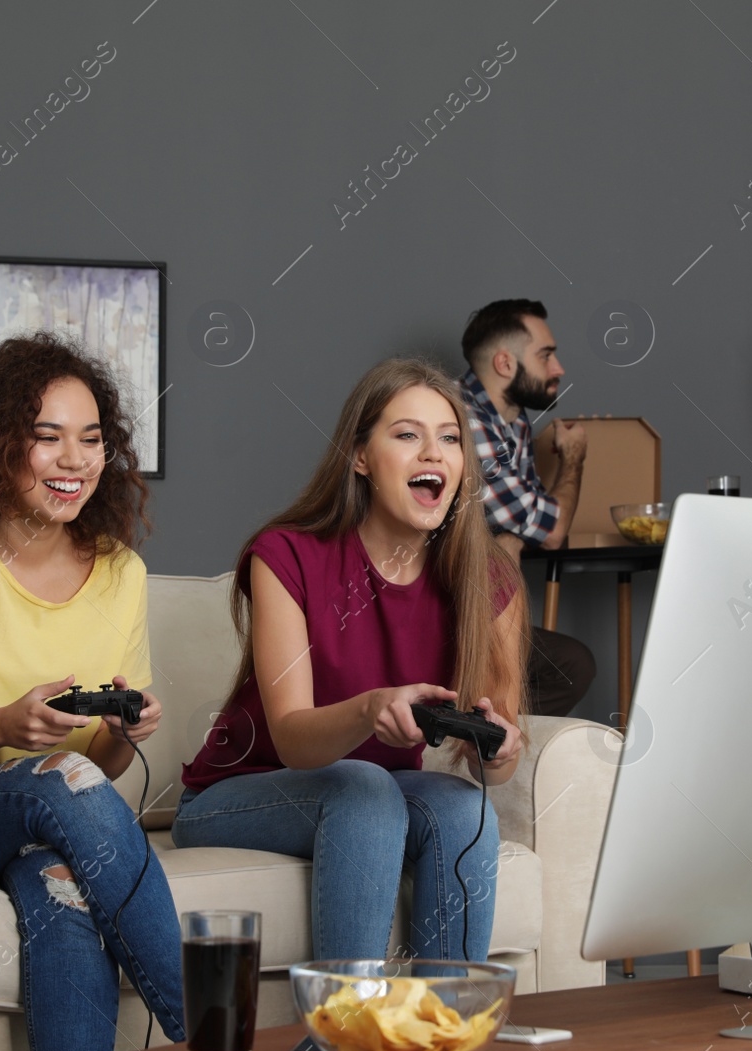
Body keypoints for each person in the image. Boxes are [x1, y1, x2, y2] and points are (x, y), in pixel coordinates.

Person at [172, 357, 528, 962]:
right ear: (360, 456)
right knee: (364, 788)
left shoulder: (489, 579)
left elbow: (491, 770)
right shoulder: (286, 555)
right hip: (242, 793)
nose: (433, 455)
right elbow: (293, 742)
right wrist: (368, 710)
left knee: (465, 810)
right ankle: (342, 1041)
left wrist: (502, 748)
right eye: (407, 435)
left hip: (378, 794)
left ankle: (444, 1036)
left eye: (449, 439)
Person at [0, 333, 185, 1051]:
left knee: (59, 888)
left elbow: (108, 767)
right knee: (65, 774)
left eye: (91, 439)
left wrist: (130, 726)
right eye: (47, 437)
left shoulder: (122, 572)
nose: (76, 460)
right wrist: (4, 725)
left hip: (50, 823)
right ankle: (210, 1039)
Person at [457, 299, 597, 717]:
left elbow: (531, 520)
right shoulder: (465, 421)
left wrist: (511, 533)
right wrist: (572, 458)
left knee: (571, 666)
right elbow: (551, 530)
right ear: (504, 363)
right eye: (546, 355)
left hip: (494, 607)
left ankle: (495, 745)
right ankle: (476, 743)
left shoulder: (511, 422)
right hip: (452, 613)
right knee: (565, 666)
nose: (559, 369)